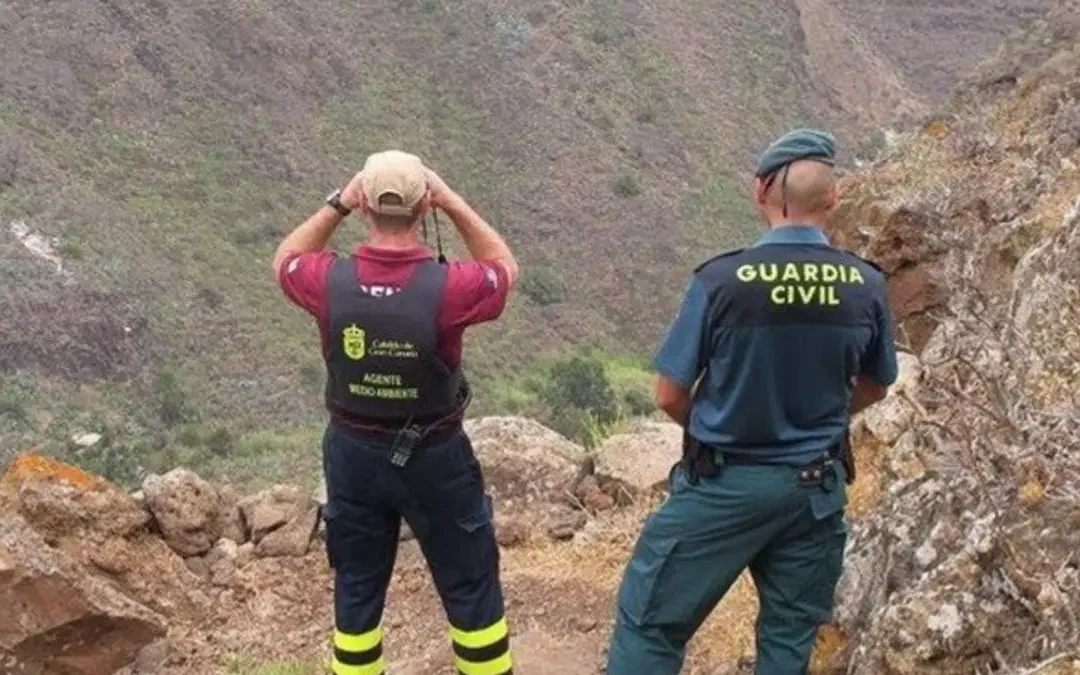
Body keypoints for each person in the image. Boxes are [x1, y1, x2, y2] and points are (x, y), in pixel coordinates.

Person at [605, 129, 899, 674]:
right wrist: (824, 418)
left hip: (722, 486)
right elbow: (877, 384)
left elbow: (669, 393)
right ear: (833, 198)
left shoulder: (722, 281)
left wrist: (720, 420)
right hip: (814, 491)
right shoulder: (864, 284)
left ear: (760, 190)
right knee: (788, 640)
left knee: (651, 625)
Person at [272, 150, 519, 675]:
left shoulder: (326, 281)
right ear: (423, 206)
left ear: (364, 207)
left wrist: (338, 201)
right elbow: (503, 268)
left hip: (352, 455)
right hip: (435, 455)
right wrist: (449, 200)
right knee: (470, 585)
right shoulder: (450, 289)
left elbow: (285, 259)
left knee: (357, 586)